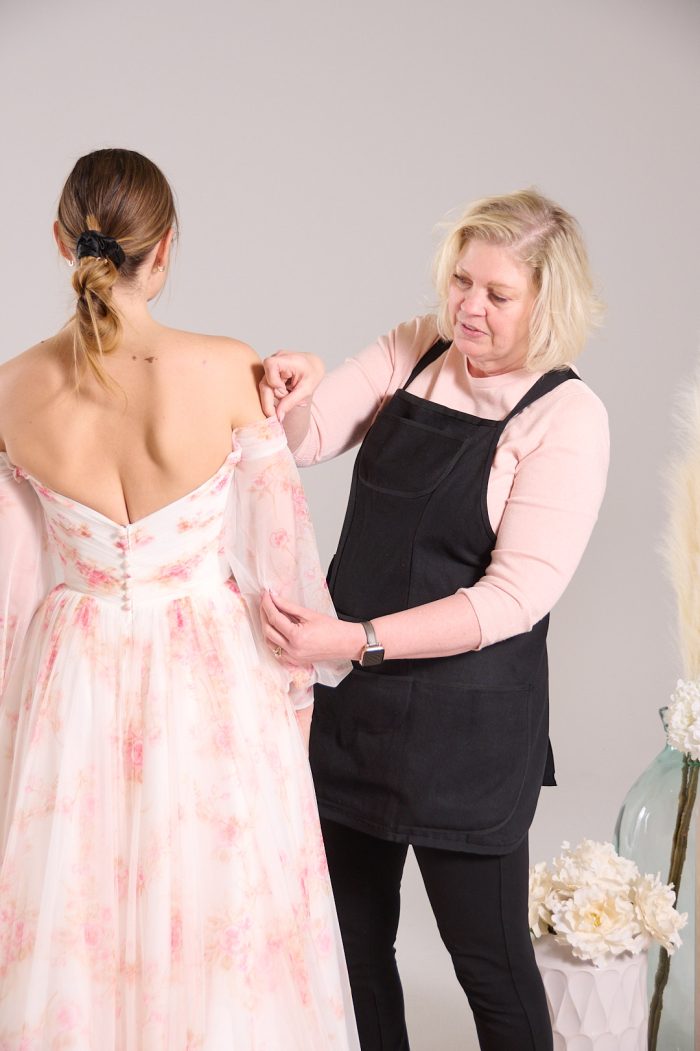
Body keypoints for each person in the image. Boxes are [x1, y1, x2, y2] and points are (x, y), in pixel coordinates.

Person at [0, 148, 360, 1049]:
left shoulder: (10, 391)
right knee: (222, 915)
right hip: (211, 679)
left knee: (74, 913)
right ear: (166, 251)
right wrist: (294, 725)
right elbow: (286, 585)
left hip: (70, 675)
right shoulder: (229, 367)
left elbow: (8, 588)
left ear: (59, 241)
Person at [258, 189, 610, 1051]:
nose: (468, 307)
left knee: (487, 965)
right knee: (351, 946)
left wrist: (357, 638)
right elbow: (304, 440)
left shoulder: (567, 416)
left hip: (470, 735)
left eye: (497, 293)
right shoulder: (417, 348)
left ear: (548, 302)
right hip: (359, 717)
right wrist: (289, 388)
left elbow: (513, 598)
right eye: (461, 281)